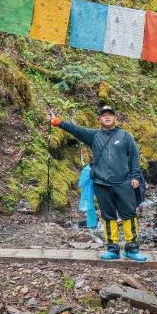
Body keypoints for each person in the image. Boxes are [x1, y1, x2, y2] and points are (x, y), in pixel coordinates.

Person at [49, 105, 146, 262]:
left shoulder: (125, 136)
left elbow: (134, 156)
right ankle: (112, 249)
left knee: (130, 215)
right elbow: (76, 130)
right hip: (102, 183)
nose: (107, 117)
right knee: (108, 216)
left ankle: (132, 249)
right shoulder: (94, 136)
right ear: (99, 119)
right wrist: (58, 122)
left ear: (115, 118)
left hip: (124, 182)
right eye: (103, 115)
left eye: (110, 115)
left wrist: (135, 176)